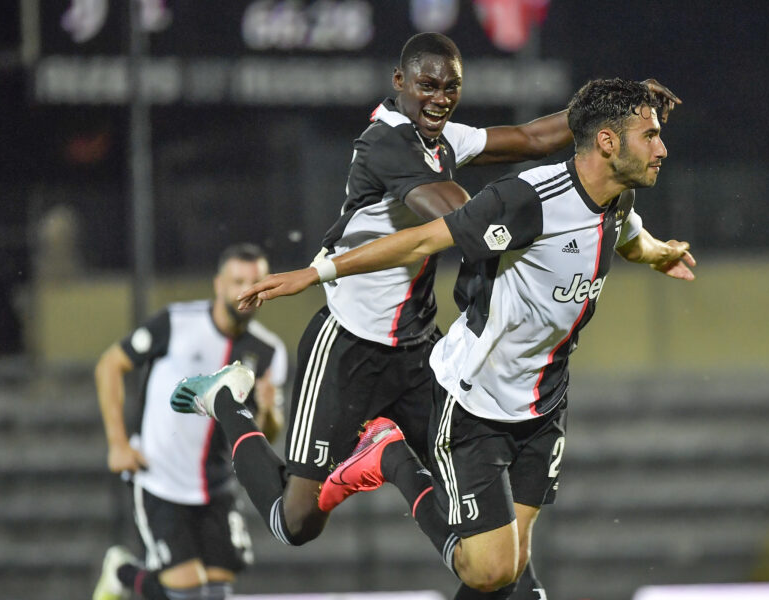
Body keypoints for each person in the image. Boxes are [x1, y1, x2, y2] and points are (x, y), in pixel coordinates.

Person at [172, 31, 679, 599]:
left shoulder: (441, 137)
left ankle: (519, 585)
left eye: (451, 87)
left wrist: (609, 106)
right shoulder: (384, 143)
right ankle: (223, 401)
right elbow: (453, 217)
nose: (440, 98)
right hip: (350, 344)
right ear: (399, 83)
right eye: (427, 86)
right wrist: (519, 212)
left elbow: (534, 136)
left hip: (419, 348)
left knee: (483, 528)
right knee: (297, 523)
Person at [92, 243, 287, 600]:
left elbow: (266, 432)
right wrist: (118, 443)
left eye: (257, 281)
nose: (247, 289)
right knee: (185, 592)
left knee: (216, 592)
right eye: (237, 280)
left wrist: (271, 412)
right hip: (159, 477)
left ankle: (125, 575)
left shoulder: (270, 351)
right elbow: (110, 365)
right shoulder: (176, 322)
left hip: (218, 485)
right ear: (218, 284)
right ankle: (121, 573)